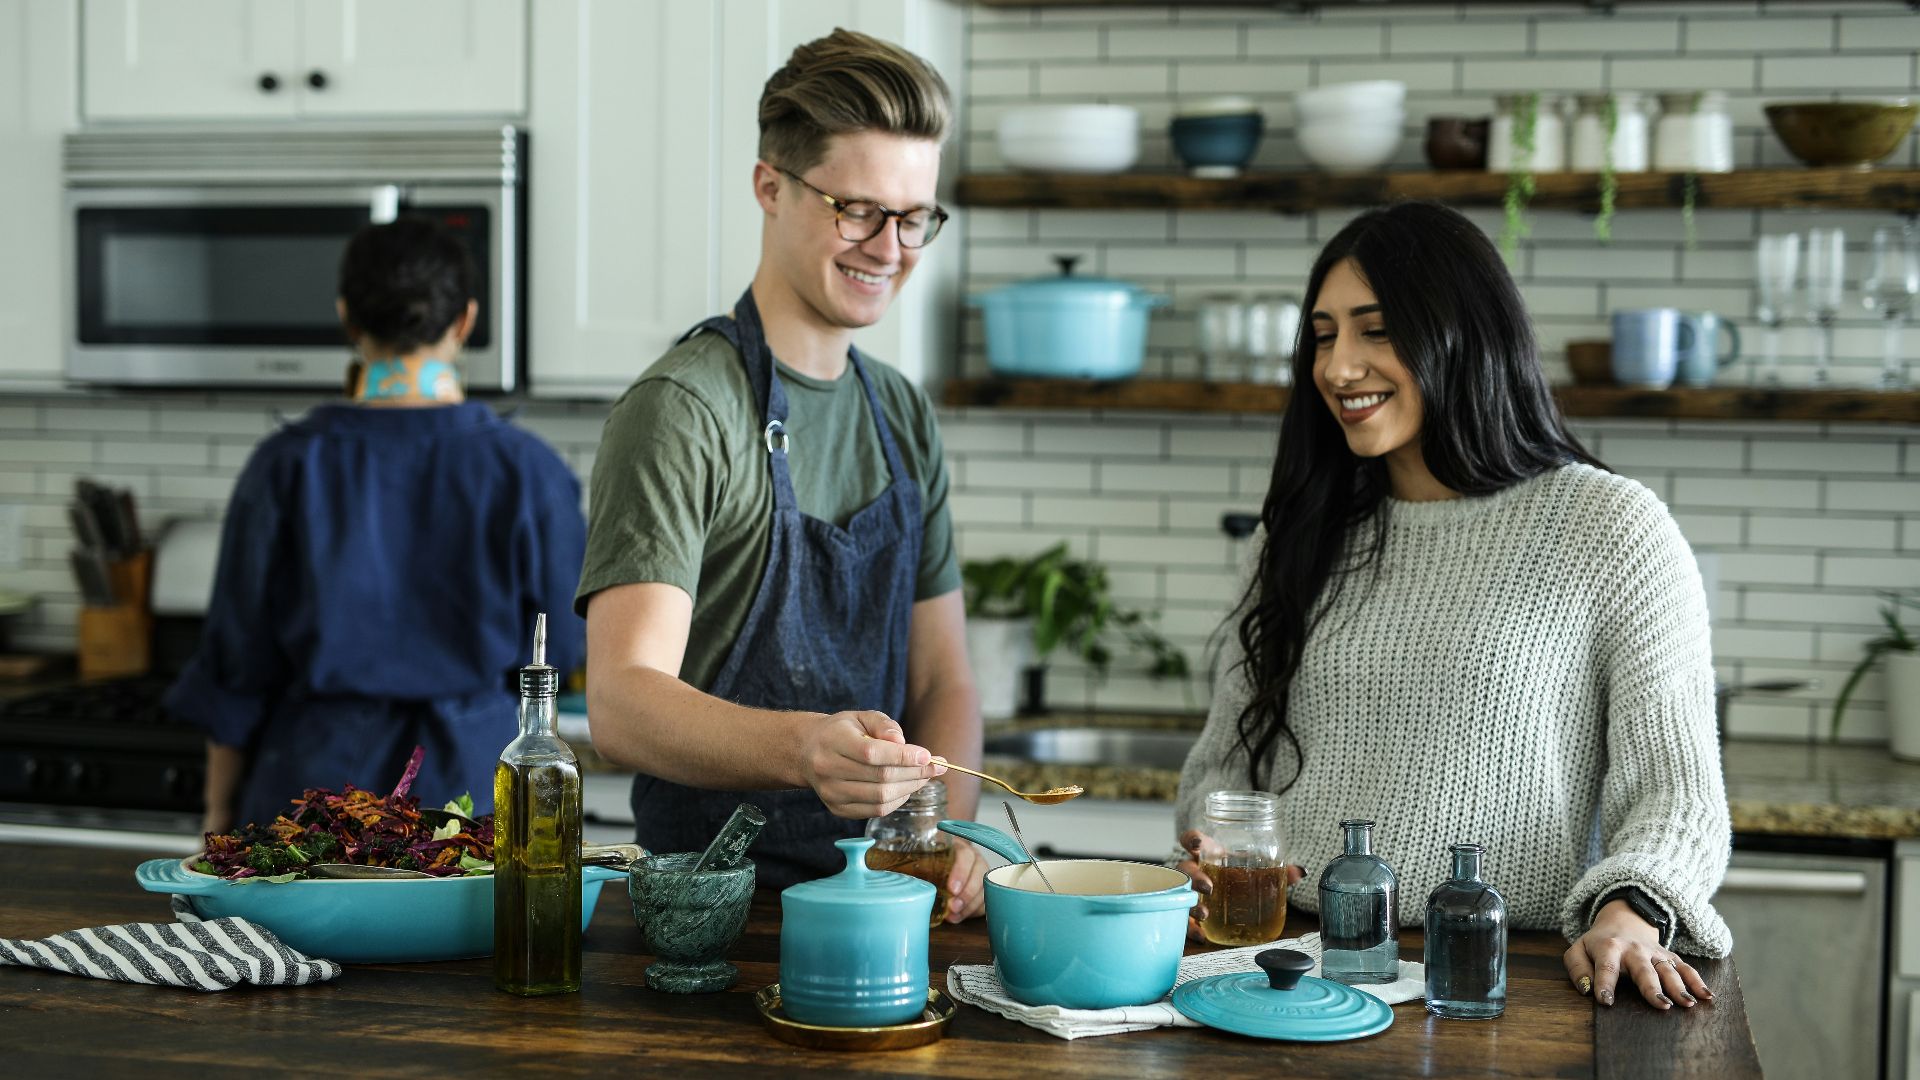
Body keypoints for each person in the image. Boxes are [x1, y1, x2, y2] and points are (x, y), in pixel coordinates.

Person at [1175, 201, 1731, 1015]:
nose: (1338, 367)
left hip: (1501, 979)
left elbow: (1677, 794)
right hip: (1288, 972)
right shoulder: (1300, 535)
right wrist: (1210, 844)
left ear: (1464, 335)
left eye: (1377, 330)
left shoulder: (1610, 527)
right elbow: (1224, 769)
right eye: (1325, 336)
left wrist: (1632, 911)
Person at [576, 28, 987, 914]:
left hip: (886, 907)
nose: (890, 248)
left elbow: (943, 678)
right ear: (771, 186)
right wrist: (807, 749)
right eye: (857, 210)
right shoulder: (684, 408)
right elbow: (620, 701)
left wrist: (951, 827)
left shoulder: (902, 413)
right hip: (717, 923)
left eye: (914, 217)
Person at [165, 217, 586, 833]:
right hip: (473, 798)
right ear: (465, 321)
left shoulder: (285, 465)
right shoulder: (530, 472)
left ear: (347, 319)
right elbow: (565, 649)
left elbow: (236, 669)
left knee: (279, 938)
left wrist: (217, 816)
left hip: (311, 797)